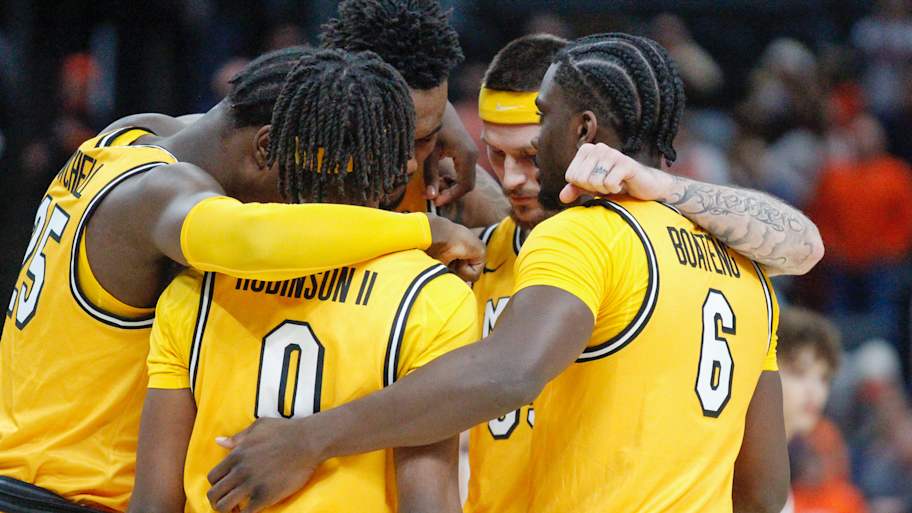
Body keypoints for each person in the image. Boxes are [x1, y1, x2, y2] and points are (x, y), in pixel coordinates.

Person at [207, 33, 826, 513]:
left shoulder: (583, 233)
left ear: (581, 130)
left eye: (540, 131)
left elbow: (506, 374)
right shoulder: (747, 268)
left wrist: (311, 437)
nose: (513, 175)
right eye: (495, 153)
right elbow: (764, 490)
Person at [0, 46, 482, 513]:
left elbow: (327, 78)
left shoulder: (129, 136)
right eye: (297, 180)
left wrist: (431, 125)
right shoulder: (161, 196)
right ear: (266, 146)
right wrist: (422, 229)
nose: (299, 205)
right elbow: (253, 241)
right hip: (63, 493)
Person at [320, 0, 508, 225]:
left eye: (425, 139)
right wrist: (417, 235)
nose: (410, 164)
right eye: (391, 141)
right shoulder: (284, 168)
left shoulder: (452, 190)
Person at [775, 308, 866, 513]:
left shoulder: (777, 469)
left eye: (823, 378)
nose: (814, 391)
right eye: (799, 372)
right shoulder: (737, 457)